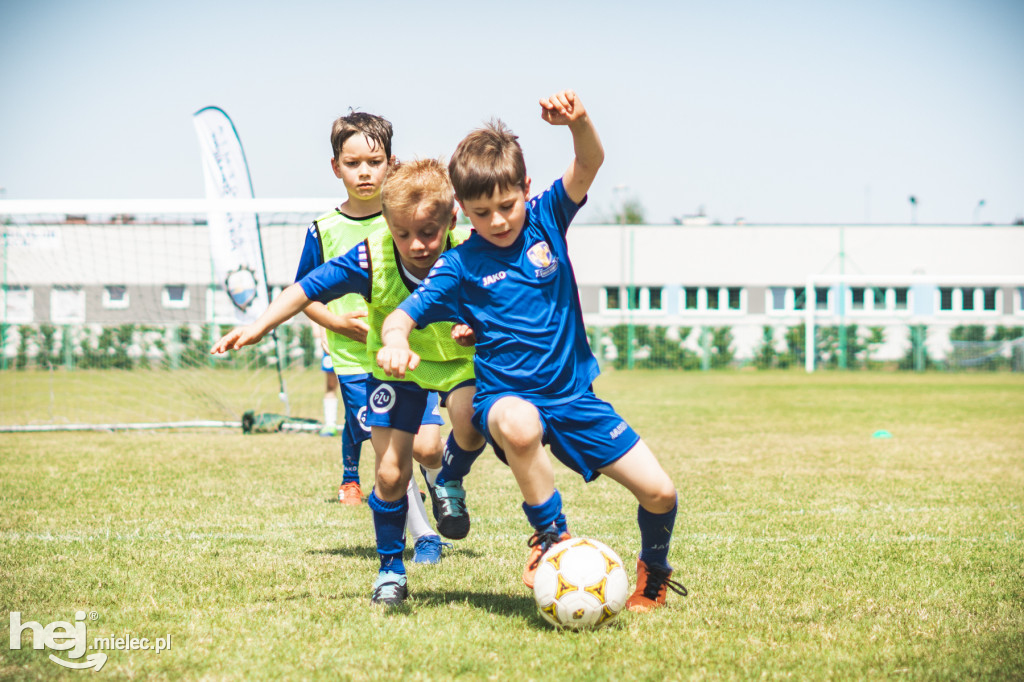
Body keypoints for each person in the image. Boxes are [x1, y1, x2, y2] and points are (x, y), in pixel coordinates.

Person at [376, 90, 688, 613]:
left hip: (574, 399)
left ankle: (653, 573)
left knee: (661, 493)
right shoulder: (457, 266)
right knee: (520, 426)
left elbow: (589, 161)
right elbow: (401, 316)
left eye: (506, 205)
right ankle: (551, 538)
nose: (497, 221)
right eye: (481, 213)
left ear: (525, 188)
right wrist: (395, 344)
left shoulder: (546, 219)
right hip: (504, 398)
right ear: (461, 212)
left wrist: (579, 122)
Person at [212, 159, 485, 605]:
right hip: (395, 364)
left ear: (450, 218)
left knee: (468, 424)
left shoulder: (470, 247)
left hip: (457, 361)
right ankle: (391, 569)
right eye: (403, 234)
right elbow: (305, 288)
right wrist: (259, 326)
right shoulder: (371, 255)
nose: (416, 245)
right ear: (388, 223)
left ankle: (450, 481)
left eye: (428, 233)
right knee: (391, 472)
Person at [291, 112, 447, 563]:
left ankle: (445, 489)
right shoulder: (323, 230)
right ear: (336, 166)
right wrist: (337, 324)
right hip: (357, 363)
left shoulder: (407, 220)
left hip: (415, 356)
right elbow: (304, 294)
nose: (364, 172)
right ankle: (423, 537)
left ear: (391, 164)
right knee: (389, 458)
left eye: (374, 162)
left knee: (428, 445)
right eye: (353, 162)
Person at [311, 322, 340, 438]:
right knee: (331, 385)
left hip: (355, 340)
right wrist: (316, 326)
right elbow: (313, 305)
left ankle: (361, 421)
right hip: (333, 341)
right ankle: (330, 424)